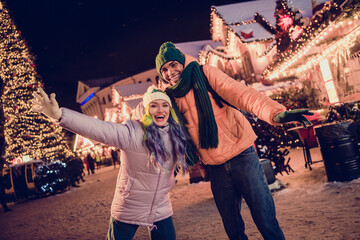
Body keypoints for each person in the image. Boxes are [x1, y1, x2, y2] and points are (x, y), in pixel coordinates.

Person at [155, 42, 314, 240]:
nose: (170, 72)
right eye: (164, 69)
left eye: (173, 65)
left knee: (265, 218)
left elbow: (241, 94)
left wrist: (276, 113)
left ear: (182, 62)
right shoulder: (169, 98)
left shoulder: (204, 73)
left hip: (242, 155)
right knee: (233, 228)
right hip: (215, 166)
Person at [31, 86, 189, 240]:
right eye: (154, 106)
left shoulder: (176, 135)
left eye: (164, 105)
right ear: (146, 110)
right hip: (130, 204)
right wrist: (59, 115)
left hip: (160, 206)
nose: (160, 110)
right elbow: (98, 128)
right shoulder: (132, 133)